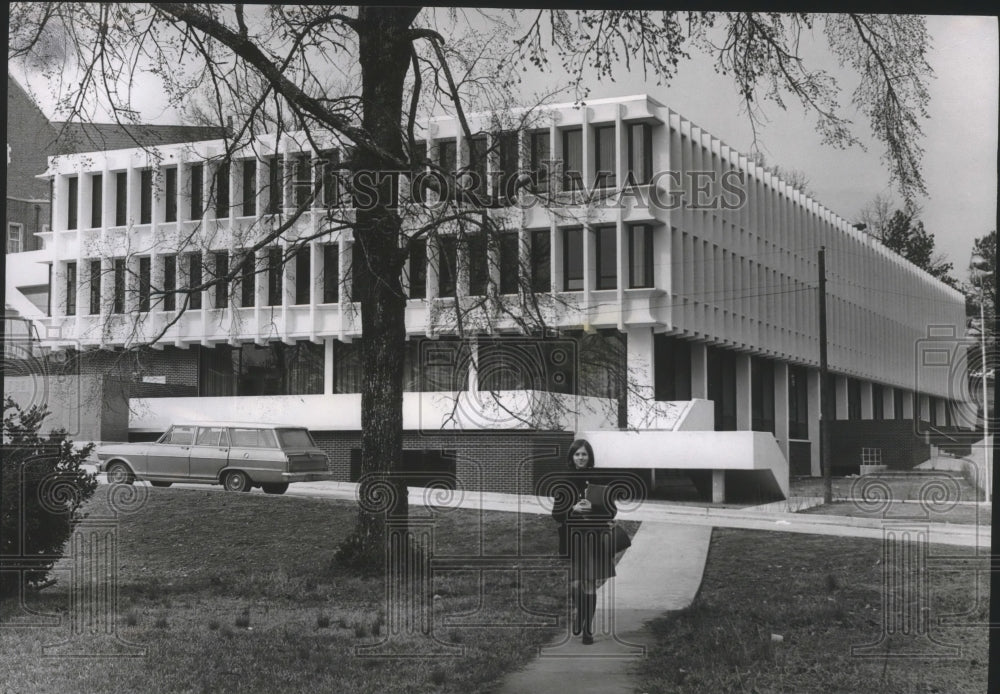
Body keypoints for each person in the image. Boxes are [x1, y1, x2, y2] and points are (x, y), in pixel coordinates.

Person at [551, 439, 619, 645]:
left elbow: (611, 511)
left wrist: (593, 508)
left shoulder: (598, 479)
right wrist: (572, 508)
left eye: (584, 454)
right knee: (575, 584)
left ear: (590, 457)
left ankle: (587, 629)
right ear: (571, 457)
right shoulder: (563, 481)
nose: (581, 458)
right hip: (572, 539)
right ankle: (579, 613)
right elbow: (556, 514)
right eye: (577, 454)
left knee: (589, 584)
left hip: (593, 538)